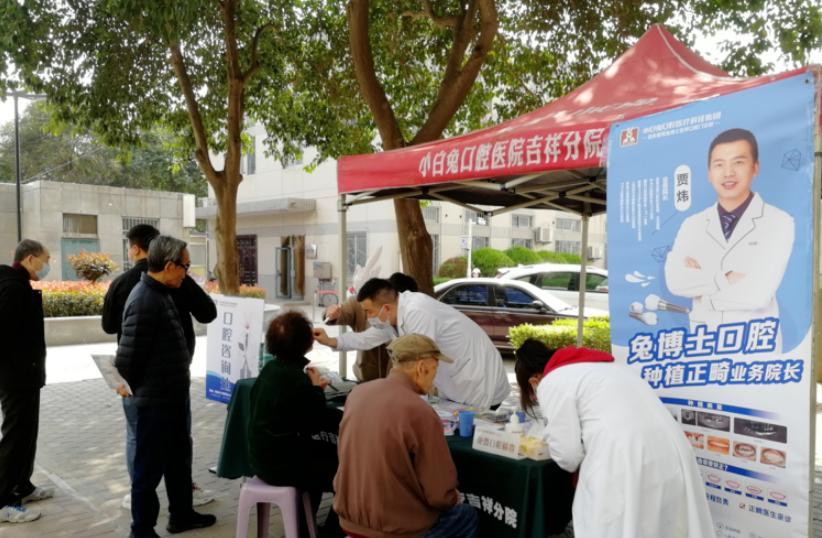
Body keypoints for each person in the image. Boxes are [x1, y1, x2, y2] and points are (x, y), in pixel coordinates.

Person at [514, 340, 714, 538]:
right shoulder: (610, 367)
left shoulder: (553, 380)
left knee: (621, 526)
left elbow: (568, 456)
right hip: (671, 452)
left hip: (626, 460)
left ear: (534, 380)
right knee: (665, 526)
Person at [102, 224, 216, 510]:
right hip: (150, 388)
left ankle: (180, 509)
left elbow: (109, 326)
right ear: (168, 263)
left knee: (165, 445)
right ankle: (143, 514)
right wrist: (123, 381)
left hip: (169, 381)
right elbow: (128, 353)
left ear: (136, 248)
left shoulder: (147, 284)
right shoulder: (146, 293)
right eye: (184, 267)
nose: (186, 273)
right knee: (150, 453)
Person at [333, 333, 478, 538]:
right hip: (395, 529)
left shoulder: (357, 393)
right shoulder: (419, 411)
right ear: (422, 367)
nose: (435, 378)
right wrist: (454, 497)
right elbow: (440, 495)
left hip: (348, 519)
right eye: (435, 369)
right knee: (466, 515)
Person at [664, 128, 794, 349]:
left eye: (738, 162)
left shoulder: (779, 221)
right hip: (704, 344)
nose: (728, 173)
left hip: (754, 346)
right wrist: (727, 278)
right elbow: (675, 282)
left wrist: (704, 293)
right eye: (719, 164)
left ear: (755, 167)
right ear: (709, 173)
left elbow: (758, 293)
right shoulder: (692, 224)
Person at [314, 278, 509, 408]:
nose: (367, 317)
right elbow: (367, 338)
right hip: (458, 383)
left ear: (386, 308)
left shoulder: (418, 311)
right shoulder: (393, 316)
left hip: (478, 380)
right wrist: (331, 341)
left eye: (368, 312)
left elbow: (417, 362)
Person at [248, 311, 344, 538]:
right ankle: (331, 531)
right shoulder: (294, 378)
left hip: (261, 459)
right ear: (305, 343)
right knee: (347, 471)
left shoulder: (270, 369)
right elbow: (315, 422)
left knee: (323, 456)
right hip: (283, 465)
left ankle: (303, 528)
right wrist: (316, 389)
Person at [0, 240, 53, 524]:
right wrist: (20, 365)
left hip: (26, 375)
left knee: (26, 434)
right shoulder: (12, 288)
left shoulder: (18, 285)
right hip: (15, 377)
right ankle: (3, 501)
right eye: (46, 259)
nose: (47, 265)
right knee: (15, 437)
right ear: (30, 259)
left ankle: (22, 486)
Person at [323, 272, 418, 381]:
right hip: (366, 376)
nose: (369, 317)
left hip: (392, 380)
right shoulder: (362, 302)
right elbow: (363, 339)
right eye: (367, 311)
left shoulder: (410, 321)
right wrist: (330, 315)